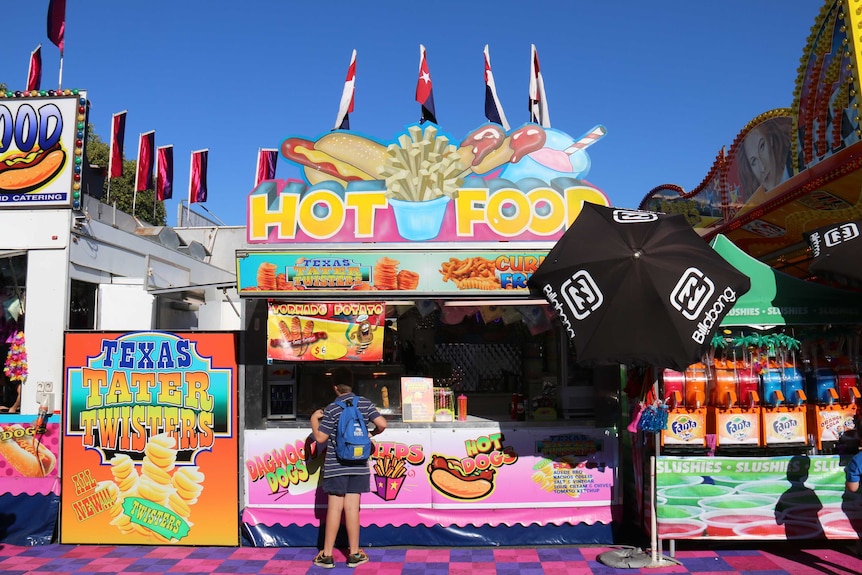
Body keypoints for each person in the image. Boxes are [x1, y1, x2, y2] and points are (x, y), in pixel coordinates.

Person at [310, 367, 387, 568]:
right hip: (359, 465)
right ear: (352, 384)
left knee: (335, 509)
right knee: (353, 508)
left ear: (335, 387)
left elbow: (320, 438)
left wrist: (313, 419)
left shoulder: (332, 409)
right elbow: (383, 424)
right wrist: (371, 434)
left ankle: (327, 555)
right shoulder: (364, 403)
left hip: (337, 466)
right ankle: (354, 554)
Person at [735, 117, 792, 214]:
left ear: (771, 140)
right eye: (754, 162)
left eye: (762, 147)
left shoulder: (795, 163)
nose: (762, 167)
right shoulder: (756, 204)